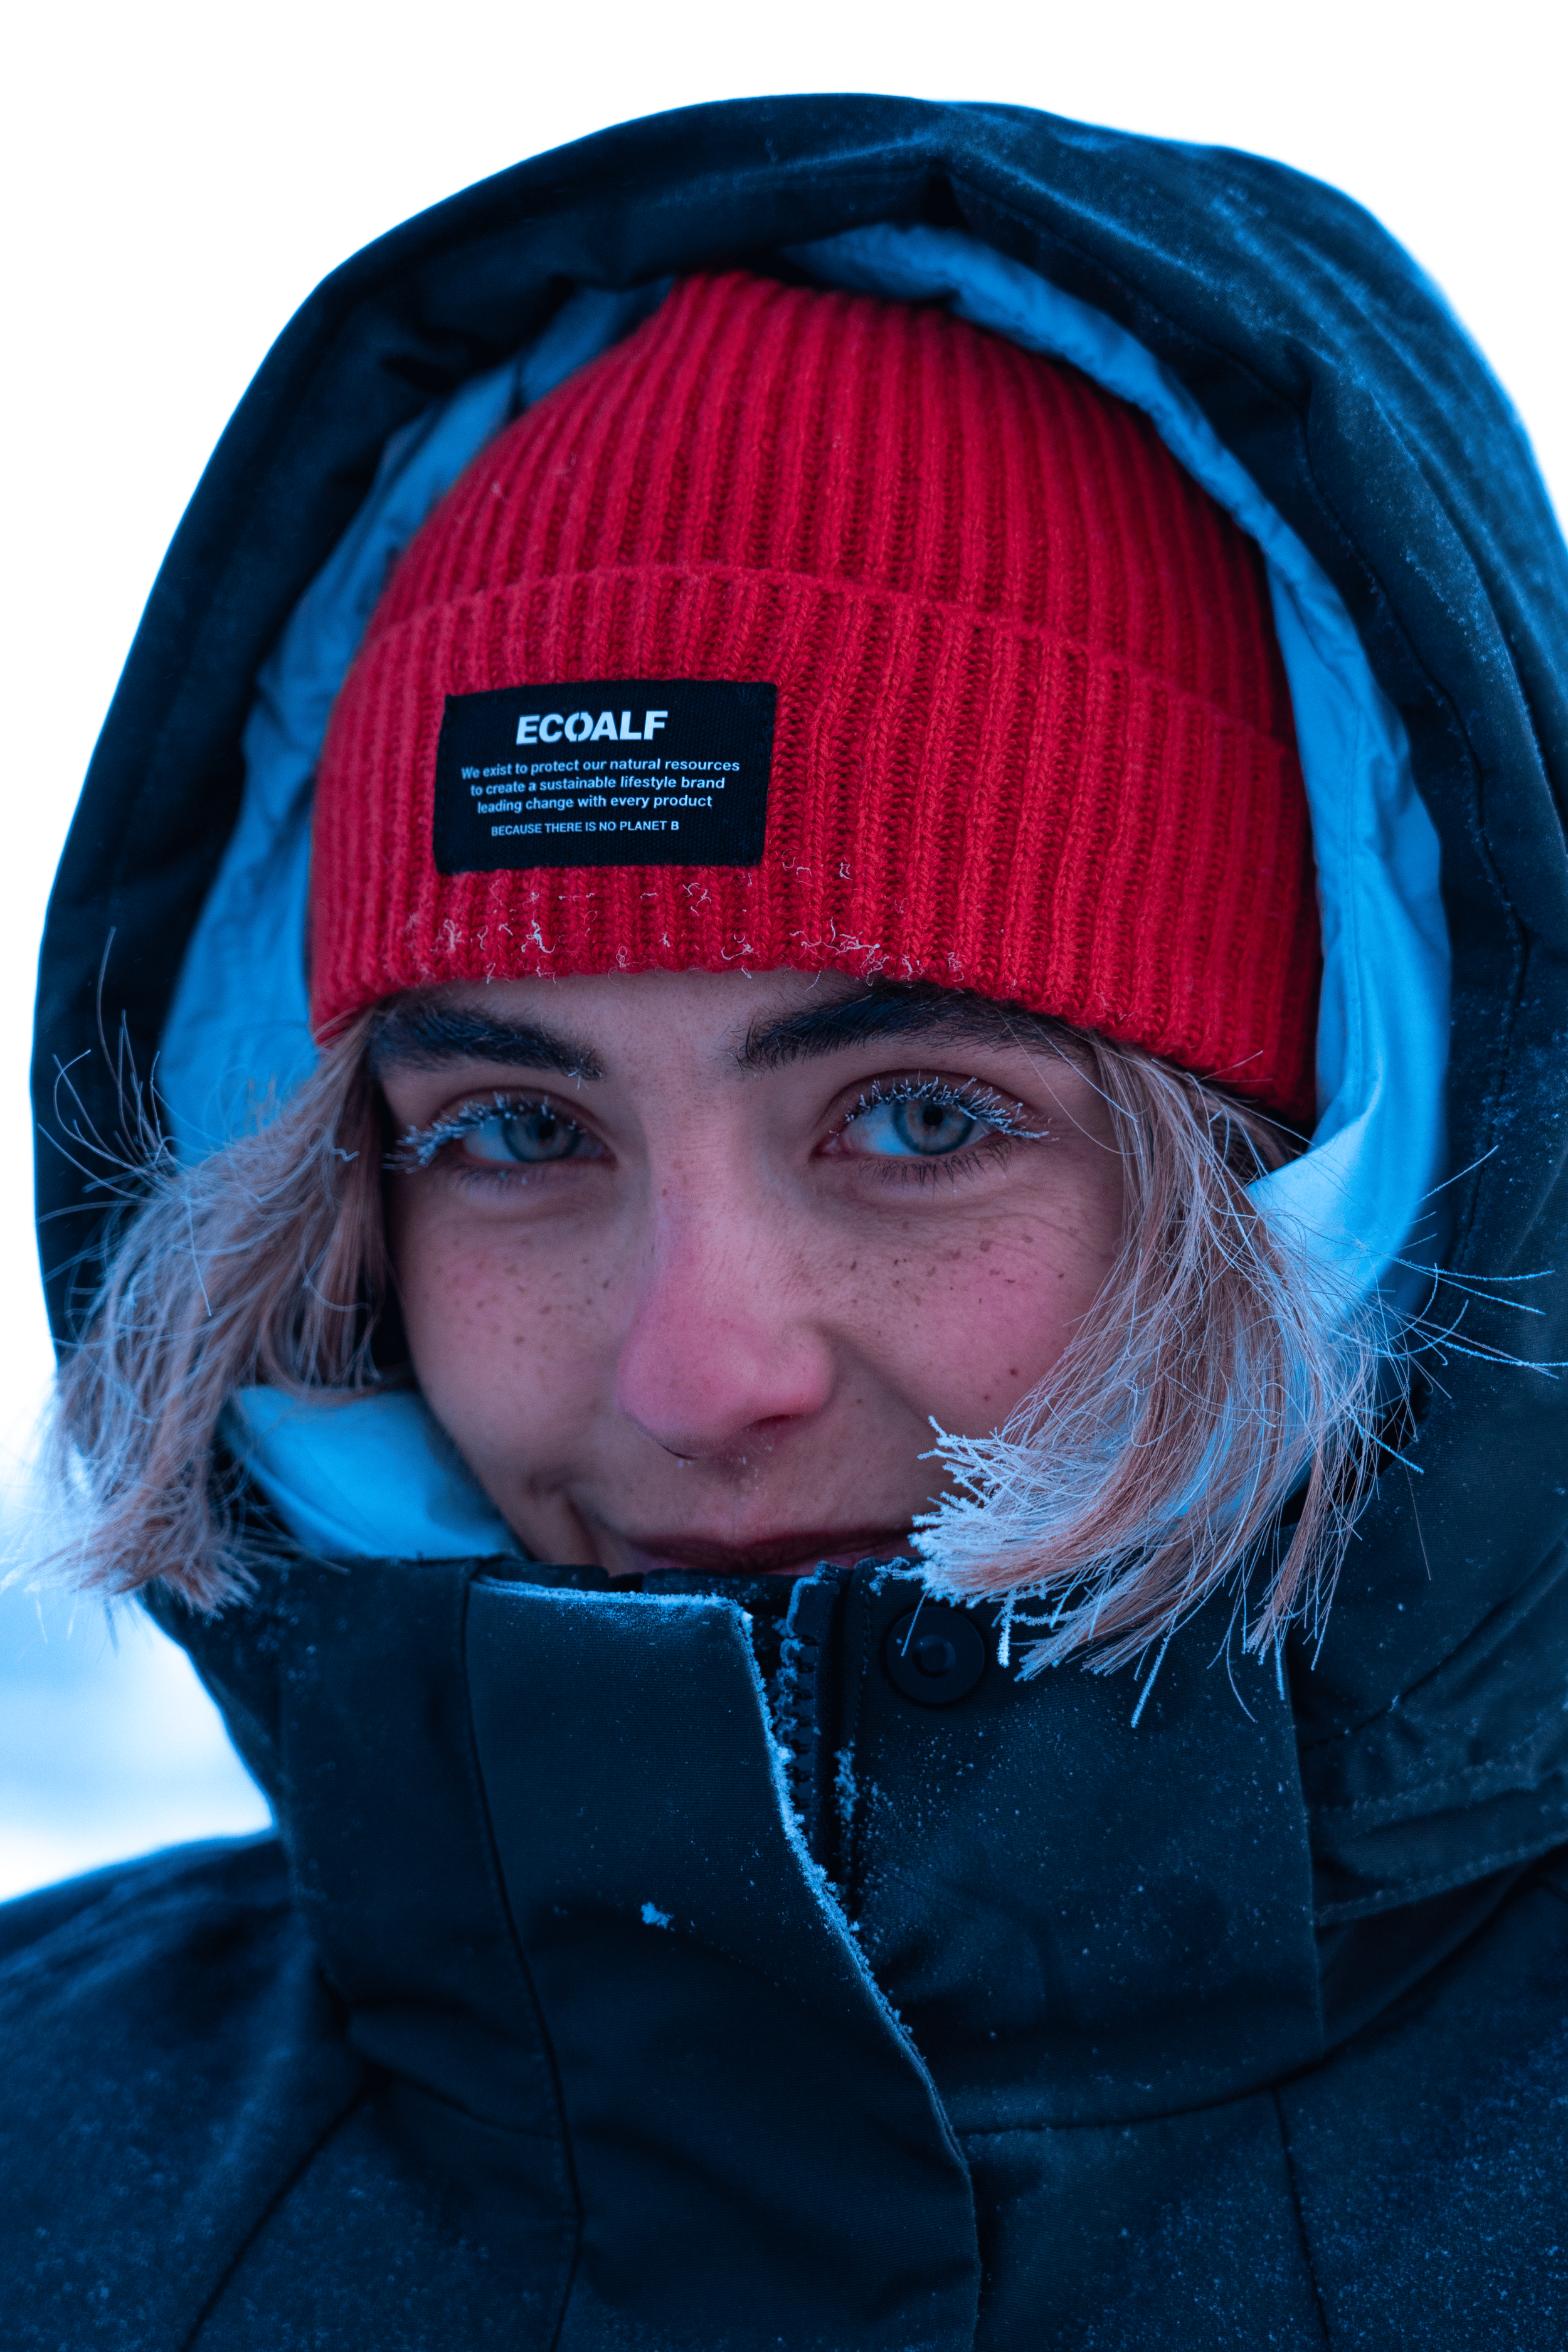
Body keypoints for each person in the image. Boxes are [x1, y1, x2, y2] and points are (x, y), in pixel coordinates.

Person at [4, 92, 1565, 2351]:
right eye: (514, 1133)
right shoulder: (66, 2162)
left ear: (1336, 1190)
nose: (695, 1370)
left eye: (920, 1115)